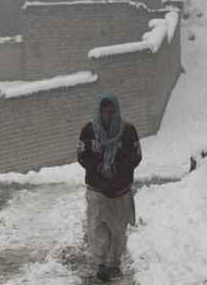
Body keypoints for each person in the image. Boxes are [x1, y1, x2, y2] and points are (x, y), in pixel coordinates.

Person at [77, 92, 142, 282]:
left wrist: (116, 169)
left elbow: (135, 156)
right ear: (99, 111)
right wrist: (99, 168)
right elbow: (82, 155)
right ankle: (101, 264)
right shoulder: (89, 131)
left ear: (116, 111)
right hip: (97, 187)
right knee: (97, 227)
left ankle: (114, 263)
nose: (108, 115)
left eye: (111, 111)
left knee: (118, 229)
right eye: (104, 111)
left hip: (120, 188)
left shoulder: (128, 131)